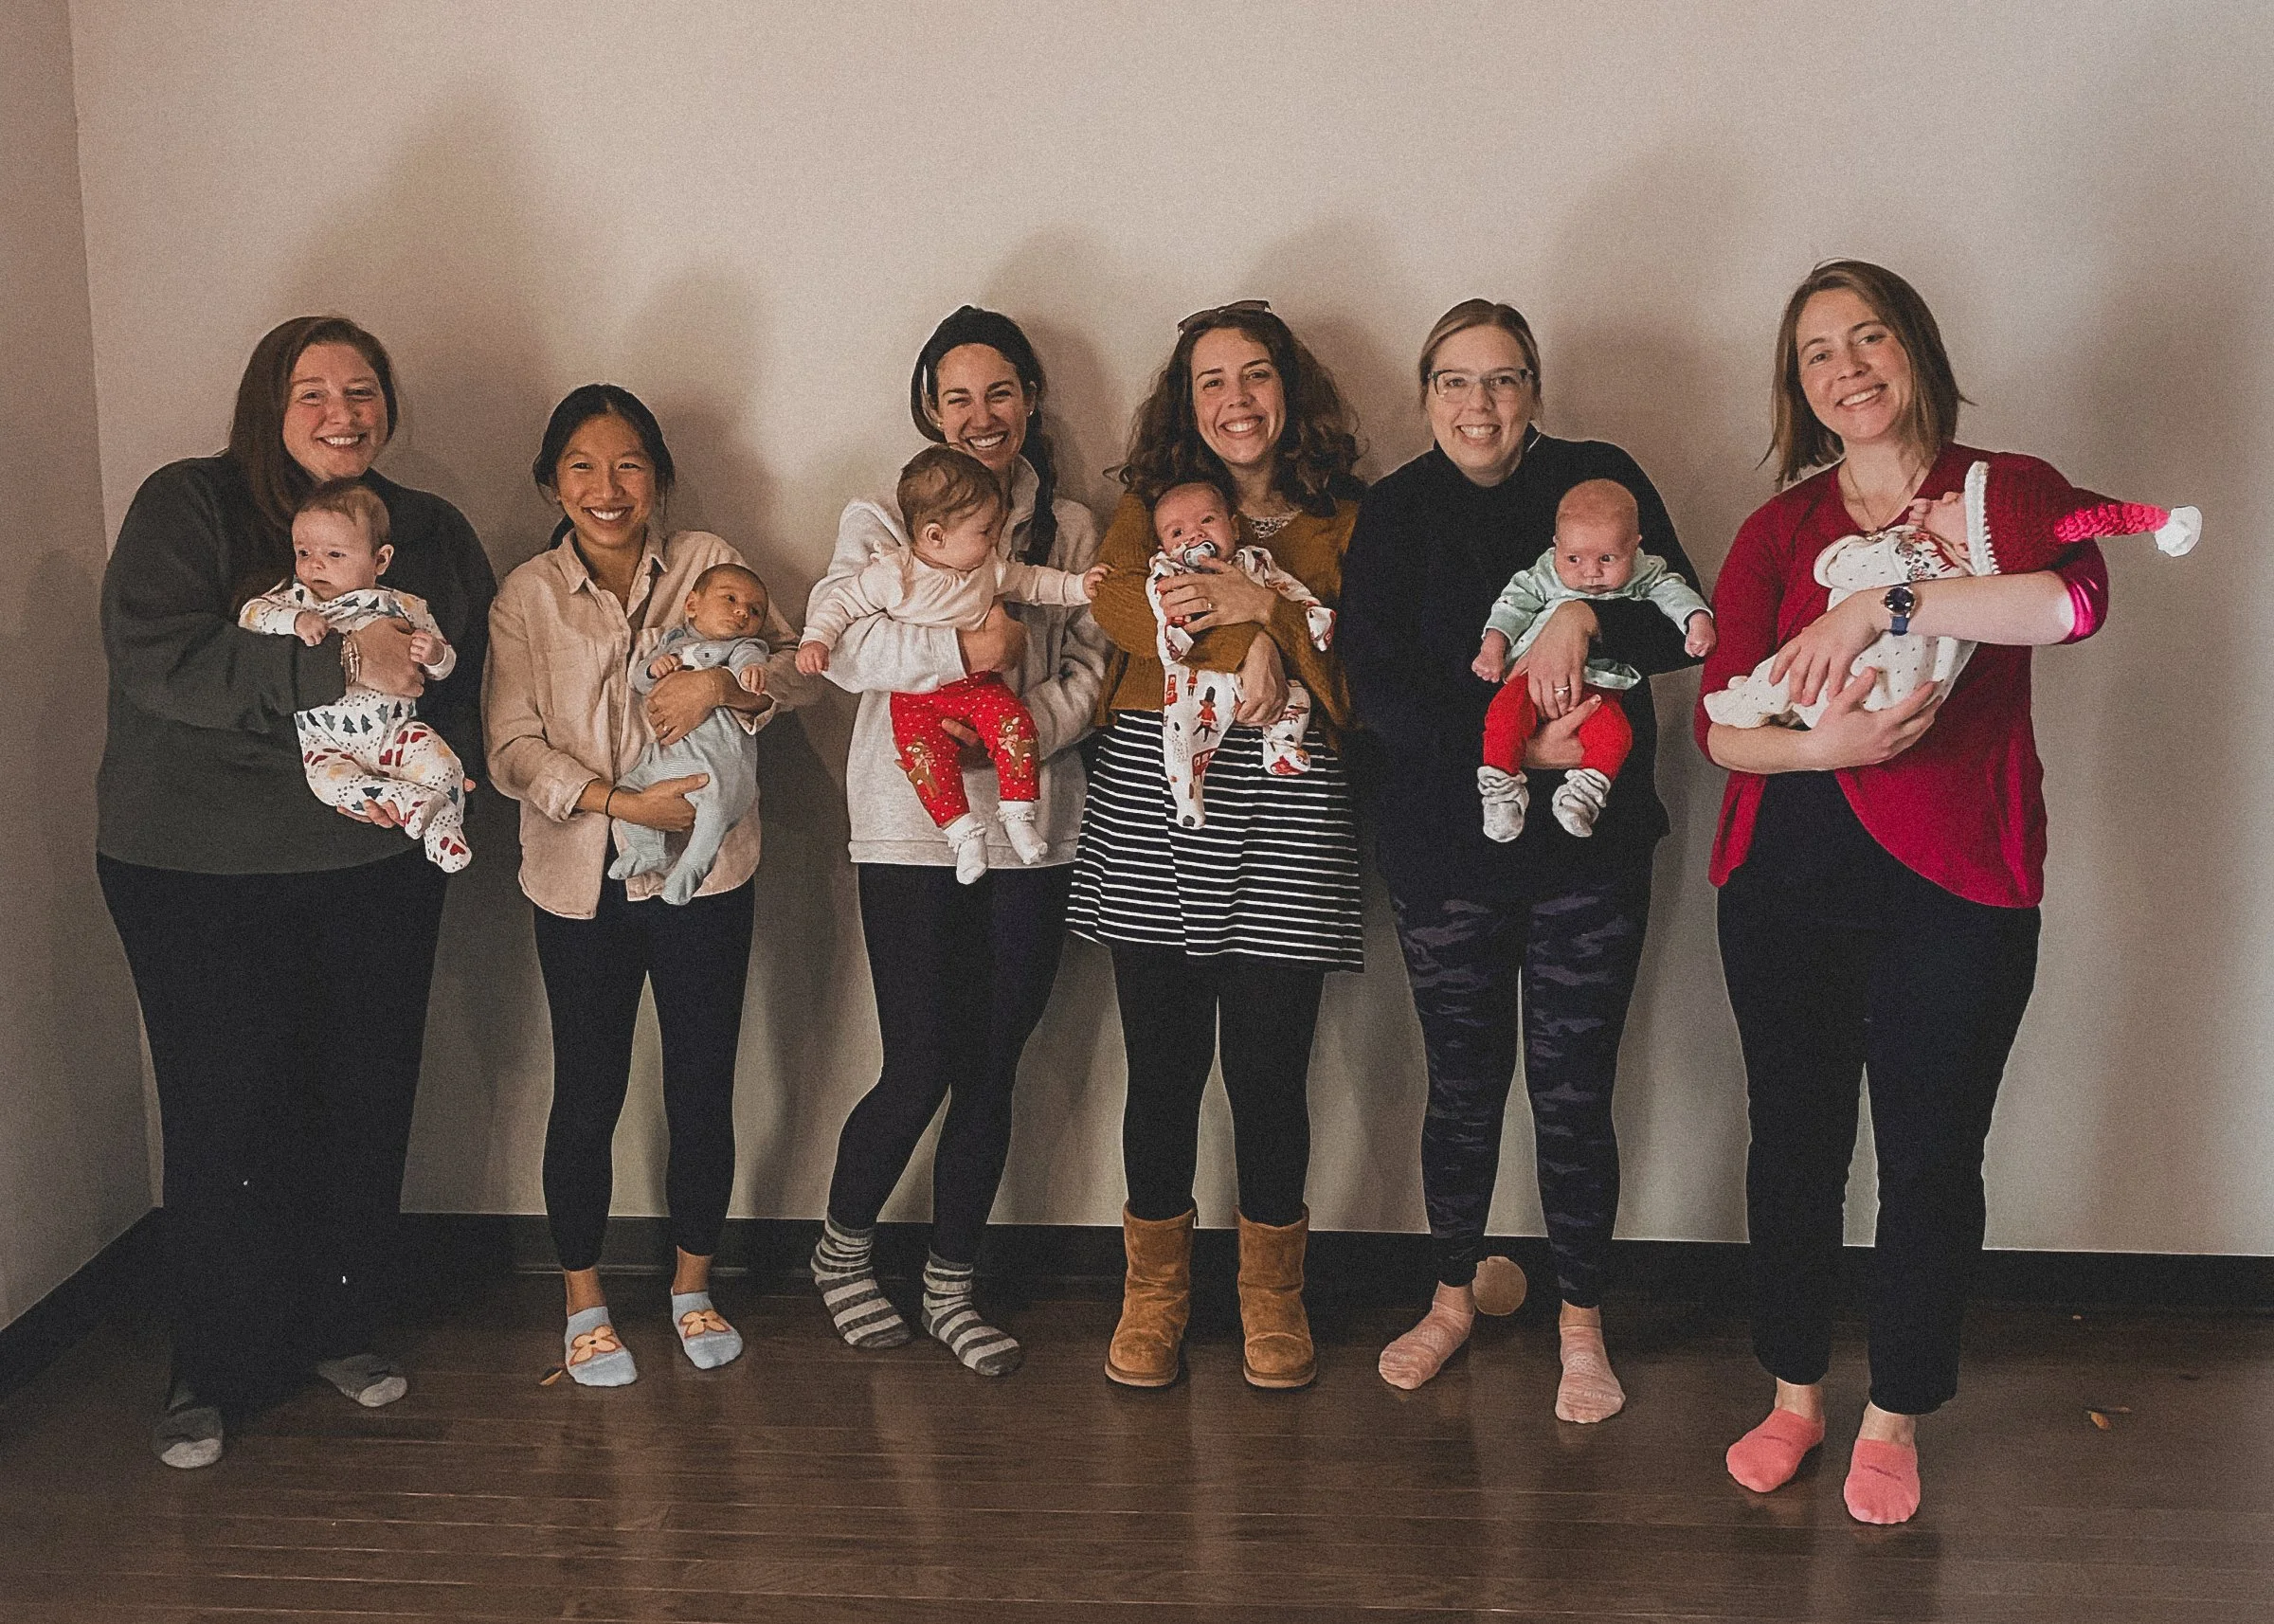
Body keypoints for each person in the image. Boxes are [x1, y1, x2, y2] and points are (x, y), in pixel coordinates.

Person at [1699, 260, 2118, 1525]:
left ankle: (1896, 1413)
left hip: (1962, 881)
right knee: (1795, 1143)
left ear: (1916, 349)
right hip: (1785, 876)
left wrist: (1887, 602)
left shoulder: (2002, 492)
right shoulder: (1777, 530)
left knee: (1932, 1154)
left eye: (1869, 337)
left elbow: (2075, 602)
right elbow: (1721, 729)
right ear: (1801, 389)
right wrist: (1825, 747)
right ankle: (1793, 1393)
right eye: (1819, 352)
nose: (1849, 367)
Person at [97, 315, 496, 1468]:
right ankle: (213, 1367)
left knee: (362, 1099)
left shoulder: (425, 527)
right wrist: (334, 661)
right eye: (312, 390)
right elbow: (157, 655)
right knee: (225, 1113)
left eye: (362, 389)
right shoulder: (191, 503)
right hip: (194, 869)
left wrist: (445, 788)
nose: (341, 412)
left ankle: (338, 1323)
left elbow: (463, 673)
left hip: (370, 866)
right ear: (268, 405)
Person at [1338, 298, 1705, 1416]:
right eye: (1455, 379)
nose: (1479, 403)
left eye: (1502, 378)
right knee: (1461, 1087)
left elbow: (1683, 622)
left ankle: (1580, 1323)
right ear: (1425, 394)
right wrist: (1517, 744)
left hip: (1588, 854)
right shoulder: (1397, 509)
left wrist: (1582, 622)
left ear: (1534, 389)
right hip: (1444, 847)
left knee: (1572, 1091)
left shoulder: (1599, 478)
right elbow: (1375, 684)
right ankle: (1451, 1297)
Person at [804, 307, 1109, 1378]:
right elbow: (848, 651)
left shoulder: (1069, 528)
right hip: (908, 829)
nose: (982, 416)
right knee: (921, 1059)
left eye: (1001, 392)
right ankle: (841, 1250)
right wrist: (968, 653)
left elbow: (1093, 672)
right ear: (931, 410)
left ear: (1030, 401)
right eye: (958, 397)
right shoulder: (882, 518)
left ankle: (951, 1283)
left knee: (991, 1066)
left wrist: (1023, 726)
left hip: (1033, 830)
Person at [485, 384, 809, 1386]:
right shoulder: (526, 596)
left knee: (702, 1084)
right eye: (581, 466)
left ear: (659, 477)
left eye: (628, 464)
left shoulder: (711, 562)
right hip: (580, 878)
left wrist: (722, 683)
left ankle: (692, 1285)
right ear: (552, 482)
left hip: (709, 876)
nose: (607, 486)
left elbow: (801, 665)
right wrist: (623, 805)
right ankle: (583, 1300)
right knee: (587, 1090)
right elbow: (509, 746)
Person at [1073, 299, 1364, 1392]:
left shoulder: (1343, 517)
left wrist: (1270, 615)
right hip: (1158, 792)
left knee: (1269, 1071)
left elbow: (1361, 665)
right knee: (1161, 1067)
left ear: (1289, 389)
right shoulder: (1151, 504)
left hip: (1286, 800)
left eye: (1255, 375)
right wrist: (1247, 634)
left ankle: (1270, 1296)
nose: (1235, 399)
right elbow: (1114, 610)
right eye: (1211, 380)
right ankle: (1154, 1292)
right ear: (1186, 401)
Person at [799, 445, 1105, 883]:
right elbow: (840, 607)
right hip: (916, 707)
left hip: (979, 691)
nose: (994, 540)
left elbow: (1035, 582)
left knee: (1015, 726)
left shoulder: (989, 567)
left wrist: (1079, 586)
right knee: (926, 761)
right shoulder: (894, 571)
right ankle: (962, 833)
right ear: (935, 536)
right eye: (985, 531)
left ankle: (1018, 813)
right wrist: (816, 638)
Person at [239, 478, 471, 871]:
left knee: (444, 766)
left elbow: (445, 667)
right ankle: (411, 802)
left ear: (380, 560)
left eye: (334, 554)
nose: (315, 565)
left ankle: (443, 828)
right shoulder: (296, 600)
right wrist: (294, 621)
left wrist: (434, 655)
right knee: (327, 784)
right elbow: (251, 616)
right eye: (303, 552)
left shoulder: (404, 605)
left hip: (396, 734)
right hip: (327, 744)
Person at [1472, 478, 1715, 839]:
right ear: (1556, 545)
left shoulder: (1645, 572)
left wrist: (1697, 620)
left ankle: (1581, 797)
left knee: (1617, 735)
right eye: (1574, 558)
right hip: (1530, 680)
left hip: (1600, 689)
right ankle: (1502, 792)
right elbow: (1512, 604)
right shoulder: (1546, 573)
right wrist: (1493, 647)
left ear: (1634, 547)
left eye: (1607, 559)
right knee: (1503, 717)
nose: (1591, 572)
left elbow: (1674, 593)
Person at [1143, 476, 1336, 827]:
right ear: (1164, 548)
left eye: (1207, 521)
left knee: (1297, 698)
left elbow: (1288, 590)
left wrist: (1309, 616)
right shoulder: (1169, 571)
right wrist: (1183, 634)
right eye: (1177, 533)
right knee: (1181, 730)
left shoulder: (1257, 561)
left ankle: (1282, 749)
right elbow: (1155, 606)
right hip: (1198, 681)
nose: (1194, 536)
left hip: (1270, 695)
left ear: (1233, 527)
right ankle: (1187, 797)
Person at [608, 561, 773, 904]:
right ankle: (650, 850)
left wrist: (748, 673)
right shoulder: (672, 642)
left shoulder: (743, 647)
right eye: (730, 599)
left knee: (714, 813)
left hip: (718, 764)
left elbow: (751, 666)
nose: (742, 612)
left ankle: (692, 869)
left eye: (755, 611)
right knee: (627, 792)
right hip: (667, 758)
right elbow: (639, 681)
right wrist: (654, 668)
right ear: (692, 605)